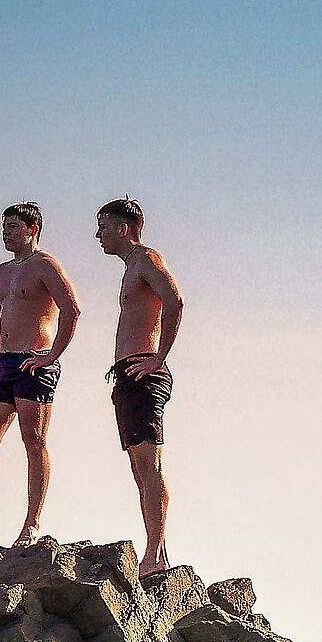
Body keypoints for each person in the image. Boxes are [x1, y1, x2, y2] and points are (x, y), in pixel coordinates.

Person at [0, 203, 80, 552]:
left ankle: (32, 523)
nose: (5, 232)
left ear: (32, 229)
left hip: (33, 362)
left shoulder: (45, 265)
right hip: (4, 364)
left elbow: (72, 310)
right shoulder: (2, 272)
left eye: (12, 226)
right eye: (3, 226)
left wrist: (51, 355)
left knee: (33, 440)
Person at [96, 199, 184, 579]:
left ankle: (154, 556)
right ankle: (157, 551)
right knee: (139, 467)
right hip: (128, 376)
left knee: (150, 464)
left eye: (103, 226)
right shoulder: (130, 268)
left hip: (145, 373)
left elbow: (175, 300)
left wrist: (159, 357)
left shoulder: (147, 258)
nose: (98, 235)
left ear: (123, 228)